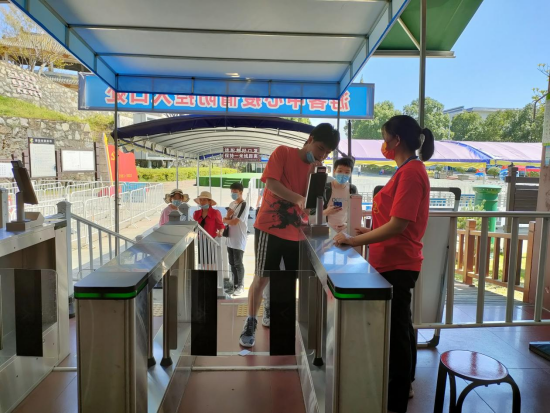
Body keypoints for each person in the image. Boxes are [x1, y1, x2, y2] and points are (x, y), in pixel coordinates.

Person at [333, 115, 435, 413]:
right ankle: (402, 383)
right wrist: (368, 232)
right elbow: (392, 222)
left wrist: (354, 240)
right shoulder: (405, 170)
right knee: (399, 325)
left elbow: (399, 225)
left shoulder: (411, 173)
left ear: (396, 140)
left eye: (384, 137)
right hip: (390, 259)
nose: (383, 144)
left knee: (397, 331)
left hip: (398, 263)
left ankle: (396, 397)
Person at [239, 123, 340, 348]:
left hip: (298, 232)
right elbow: (271, 183)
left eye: (327, 153)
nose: (322, 155)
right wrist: (297, 198)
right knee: (262, 277)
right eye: (320, 148)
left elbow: (311, 205)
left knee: (288, 280)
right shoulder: (282, 152)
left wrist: (317, 183)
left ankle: (271, 307)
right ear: (310, 139)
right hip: (270, 227)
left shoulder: (316, 170)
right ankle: (250, 320)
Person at [310, 157, 357, 232]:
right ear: (334, 171)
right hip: (325, 229)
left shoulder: (352, 189)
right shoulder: (325, 188)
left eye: (347, 172)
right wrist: (326, 211)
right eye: (340, 171)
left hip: (344, 230)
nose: (343, 174)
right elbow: (312, 213)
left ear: (351, 173)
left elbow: (355, 211)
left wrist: (347, 224)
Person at [224, 182, 248, 295]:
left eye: (235, 192)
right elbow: (227, 219)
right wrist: (227, 218)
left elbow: (234, 222)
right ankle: (234, 285)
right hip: (230, 238)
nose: (233, 194)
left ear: (241, 192)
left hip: (239, 239)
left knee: (238, 263)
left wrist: (226, 220)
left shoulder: (244, 205)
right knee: (232, 263)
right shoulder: (231, 204)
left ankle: (240, 286)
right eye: (232, 192)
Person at [193, 191, 225, 268]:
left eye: (204, 200)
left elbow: (221, 226)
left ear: (209, 202)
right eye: (201, 200)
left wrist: (220, 232)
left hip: (210, 241)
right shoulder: (196, 213)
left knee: (210, 264)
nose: (202, 202)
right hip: (198, 241)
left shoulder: (215, 212)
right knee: (199, 263)